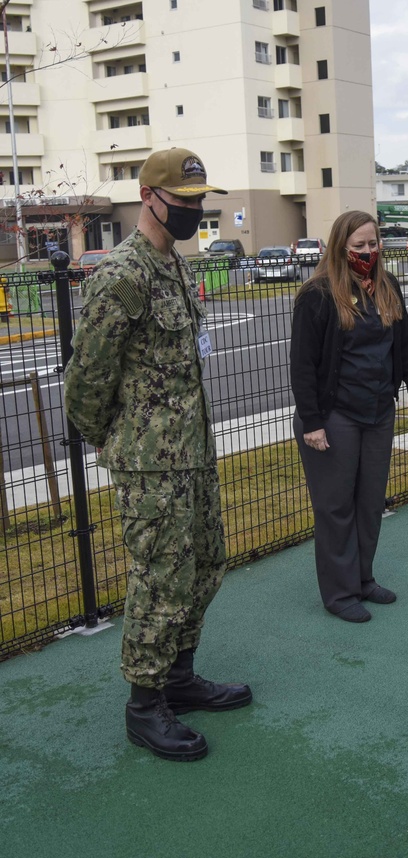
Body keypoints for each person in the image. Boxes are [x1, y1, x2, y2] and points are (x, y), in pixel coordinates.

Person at [64, 148, 252, 762]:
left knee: (206, 566)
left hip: (193, 455)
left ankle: (178, 676)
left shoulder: (170, 266)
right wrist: (114, 442)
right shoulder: (121, 275)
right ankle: (144, 705)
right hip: (151, 466)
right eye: (185, 202)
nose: (196, 212)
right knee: (161, 580)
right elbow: (86, 382)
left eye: (201, 201)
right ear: (149, 197)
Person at [290, 210, 408, 623]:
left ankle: (362, 578)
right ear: (341, 247)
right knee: (336, 506)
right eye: (359, 246)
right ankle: (338, 593)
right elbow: (302, 366)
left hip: (377, 412)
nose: (368, 252)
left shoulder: (386, 286)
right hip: (334, 415)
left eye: (373, 244)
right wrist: (312, 422)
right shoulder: (316, 295)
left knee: (370, 502)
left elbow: (404, 344)